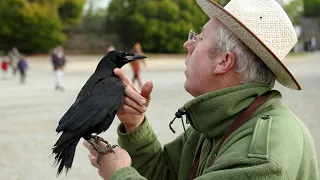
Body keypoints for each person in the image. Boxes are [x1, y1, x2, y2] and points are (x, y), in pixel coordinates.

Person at [83, 0, 319, 179]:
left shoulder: (261, 156)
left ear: (224, 62)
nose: (188, 44)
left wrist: (120, 173)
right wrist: (135, 125)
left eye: (200, 37)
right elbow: (166, 173)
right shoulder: (223, 119)